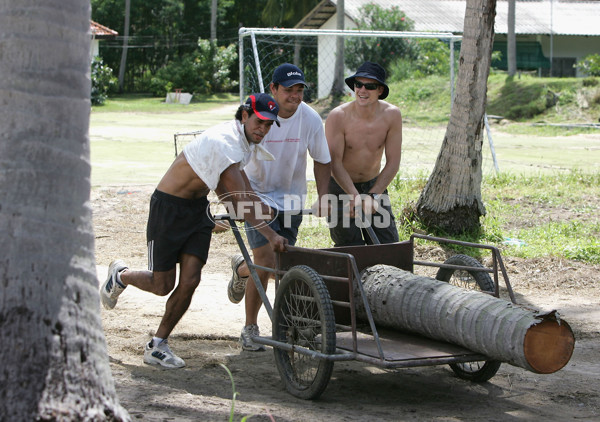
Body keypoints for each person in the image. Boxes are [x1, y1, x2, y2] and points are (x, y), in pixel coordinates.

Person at [100, 93, 288, 369]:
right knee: (162, 284)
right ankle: (121, 276)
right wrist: (270, 234)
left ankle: (157, 345)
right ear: (245, 115)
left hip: (197, 208)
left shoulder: (244, 141)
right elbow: (235, 196)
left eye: (269, 124)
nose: (263, 128)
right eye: (260, 121)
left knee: (190, 280)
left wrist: (260, 206)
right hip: (169, 208)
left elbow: (237, 189)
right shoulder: (225, 141)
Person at [227, 63, 332, 351]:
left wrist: (323, 196)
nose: (295, 96)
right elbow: (236, 165)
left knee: (282, 264)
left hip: (292, 199)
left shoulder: (310, 119)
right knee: (265, 259)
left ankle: (243, 271)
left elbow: (322, 159)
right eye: (288, 90)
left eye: (299, 90)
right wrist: (249, 200)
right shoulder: (257, 117)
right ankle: (250, 327)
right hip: (257, 194)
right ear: (273, 89)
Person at [325, 61, 402, 246]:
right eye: (358, 85)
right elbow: (334, 163)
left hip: (374, 186)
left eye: (370, 86)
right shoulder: (338, 116)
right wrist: (354, 196)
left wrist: (373, 195)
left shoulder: (392, 115)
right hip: (340, 187)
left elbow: (393, 162)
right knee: (349, 247)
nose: (362, 90)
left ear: (380, 90)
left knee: (387, 246)